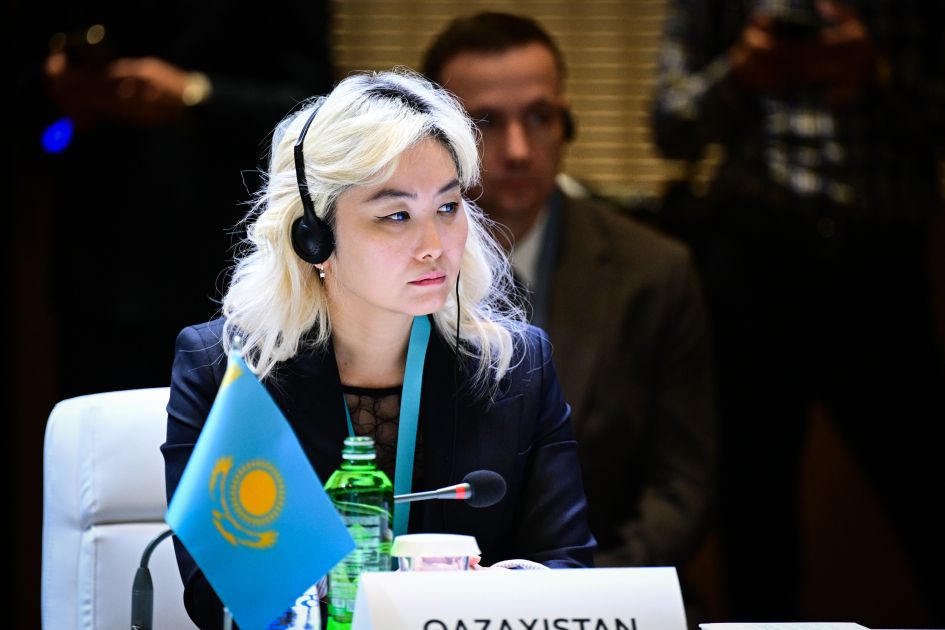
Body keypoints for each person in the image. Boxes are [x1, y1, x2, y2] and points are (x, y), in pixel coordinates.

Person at [162, 69, 596, 630]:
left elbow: (568, 569)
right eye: (396, 216)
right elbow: (214, 599)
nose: (435, 246)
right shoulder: (226, 369)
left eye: (447, 207)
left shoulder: (517, 368)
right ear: (314, 238)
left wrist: (494, 593)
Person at [651, 0, 945, 623]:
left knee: (929, 490)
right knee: (753, 515)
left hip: (882, 264)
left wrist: (877, 75)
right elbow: (669, 126)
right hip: (756, 260)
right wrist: (741, 71)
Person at [422, 12, 715, 580]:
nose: (517, 150)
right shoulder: (385, 266)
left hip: (609, 587)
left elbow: (682, 487)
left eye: (539, 117)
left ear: (567, 122)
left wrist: (580, 595)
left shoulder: (654, 273)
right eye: (486, 122)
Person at [13, 0, 333, 400]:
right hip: (97, 265)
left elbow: (310, 111)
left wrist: (194, 95)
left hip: (223, 261)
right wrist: (57, 88)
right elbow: (27, 100)